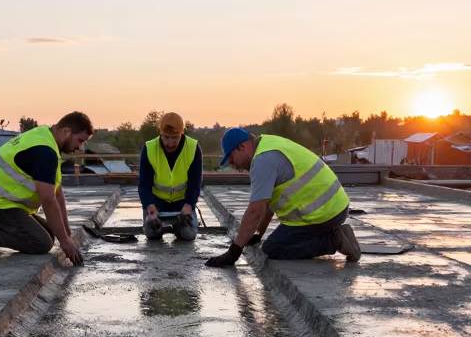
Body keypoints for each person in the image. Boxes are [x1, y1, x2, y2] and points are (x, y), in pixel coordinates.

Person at [205, 127, 361, 267]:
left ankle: (335, 240)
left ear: (242, 147)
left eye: (231, 159)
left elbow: (255, 211)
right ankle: (332, 234)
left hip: (325, 213)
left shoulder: (262, 161)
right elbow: (267, 205)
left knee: (274, 248)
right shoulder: (267, 144)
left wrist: (234, 251)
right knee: (273, 243)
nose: (233, 165)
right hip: (333, 208)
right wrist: (259, 234)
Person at [0, 112, 94, 264]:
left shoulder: (46, 137)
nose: (80, 148)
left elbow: (57, 194)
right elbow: (48, 199)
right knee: (40, 242)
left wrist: (67, 236)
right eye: (80, 141)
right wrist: (65, 243)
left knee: (51, 233)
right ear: (67, 131)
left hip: (8, 202)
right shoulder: (44, 151)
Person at [138, 111, 203, 242]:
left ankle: (179, 227)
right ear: (160, 134)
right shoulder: (149, 149)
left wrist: (189, 206)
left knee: (188, 235)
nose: (170, 143)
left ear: (182, 134)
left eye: (175, 138)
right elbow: (144, 185)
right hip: (157, 204)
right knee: (152, 233)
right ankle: (159, 225)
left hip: (182, 204)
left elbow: (195, 183)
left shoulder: (193, 148)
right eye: (166, 137)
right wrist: (150, 210)